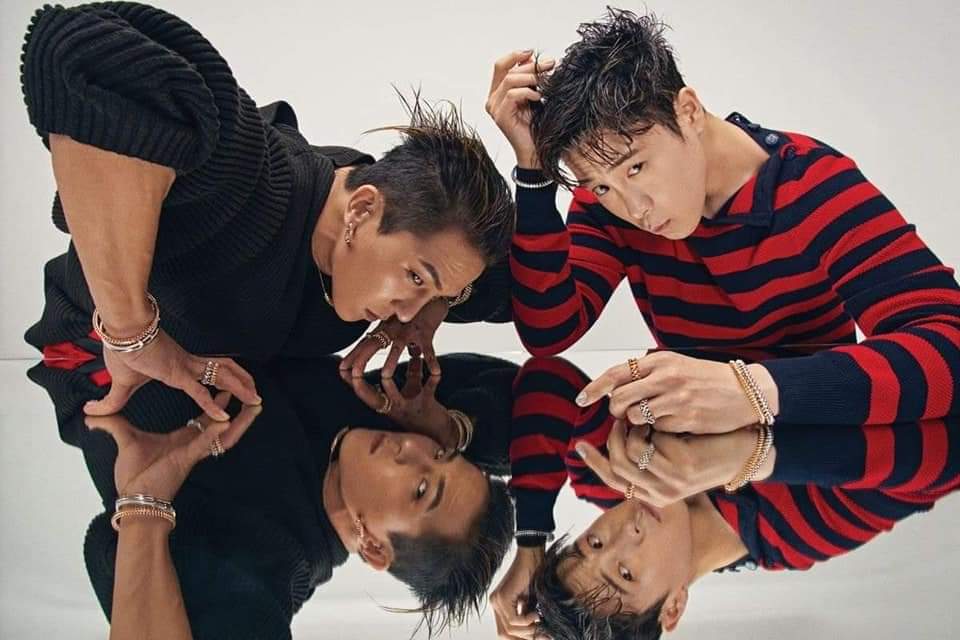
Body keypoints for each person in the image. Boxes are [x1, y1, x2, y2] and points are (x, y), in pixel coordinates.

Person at [20, 2, 515, 423]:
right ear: (362, 209)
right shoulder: (248, 173)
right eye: (415, 277)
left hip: (236, 418)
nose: (404, 311)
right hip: (96, 381)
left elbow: (521, 290)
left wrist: (531, 168)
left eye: (431, 290)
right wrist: (131, 334)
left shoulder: (408, 237)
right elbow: (78, 48)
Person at [485, 8, 960, 435]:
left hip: (813, 458)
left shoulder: (811, 186)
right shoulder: (607, 206)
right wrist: (533, 171)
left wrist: (751, 390)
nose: (635, 208)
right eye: (602, 186)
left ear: (688, 111)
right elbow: (549, 332)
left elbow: (950, 348)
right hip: (688, 466)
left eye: (637, 167)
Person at [493, 355, 960, 640]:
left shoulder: (607, 478)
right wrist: (755, 456)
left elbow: (547, 380)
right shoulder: (795, 533)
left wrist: (531, 539)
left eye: (592, 544)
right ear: (673, 607)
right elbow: (945, 456)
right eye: (626, 573)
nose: (623, 532)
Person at [61, 351, 518, 638]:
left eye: (420, 490)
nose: (412, 450)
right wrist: (459, 429)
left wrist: (144, 510)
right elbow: (527, 397)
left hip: (85, 359)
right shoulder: (375, 421)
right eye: (440, 453)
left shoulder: (270, 567)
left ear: (374, 548)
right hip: (143, 299)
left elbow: (107, 553)